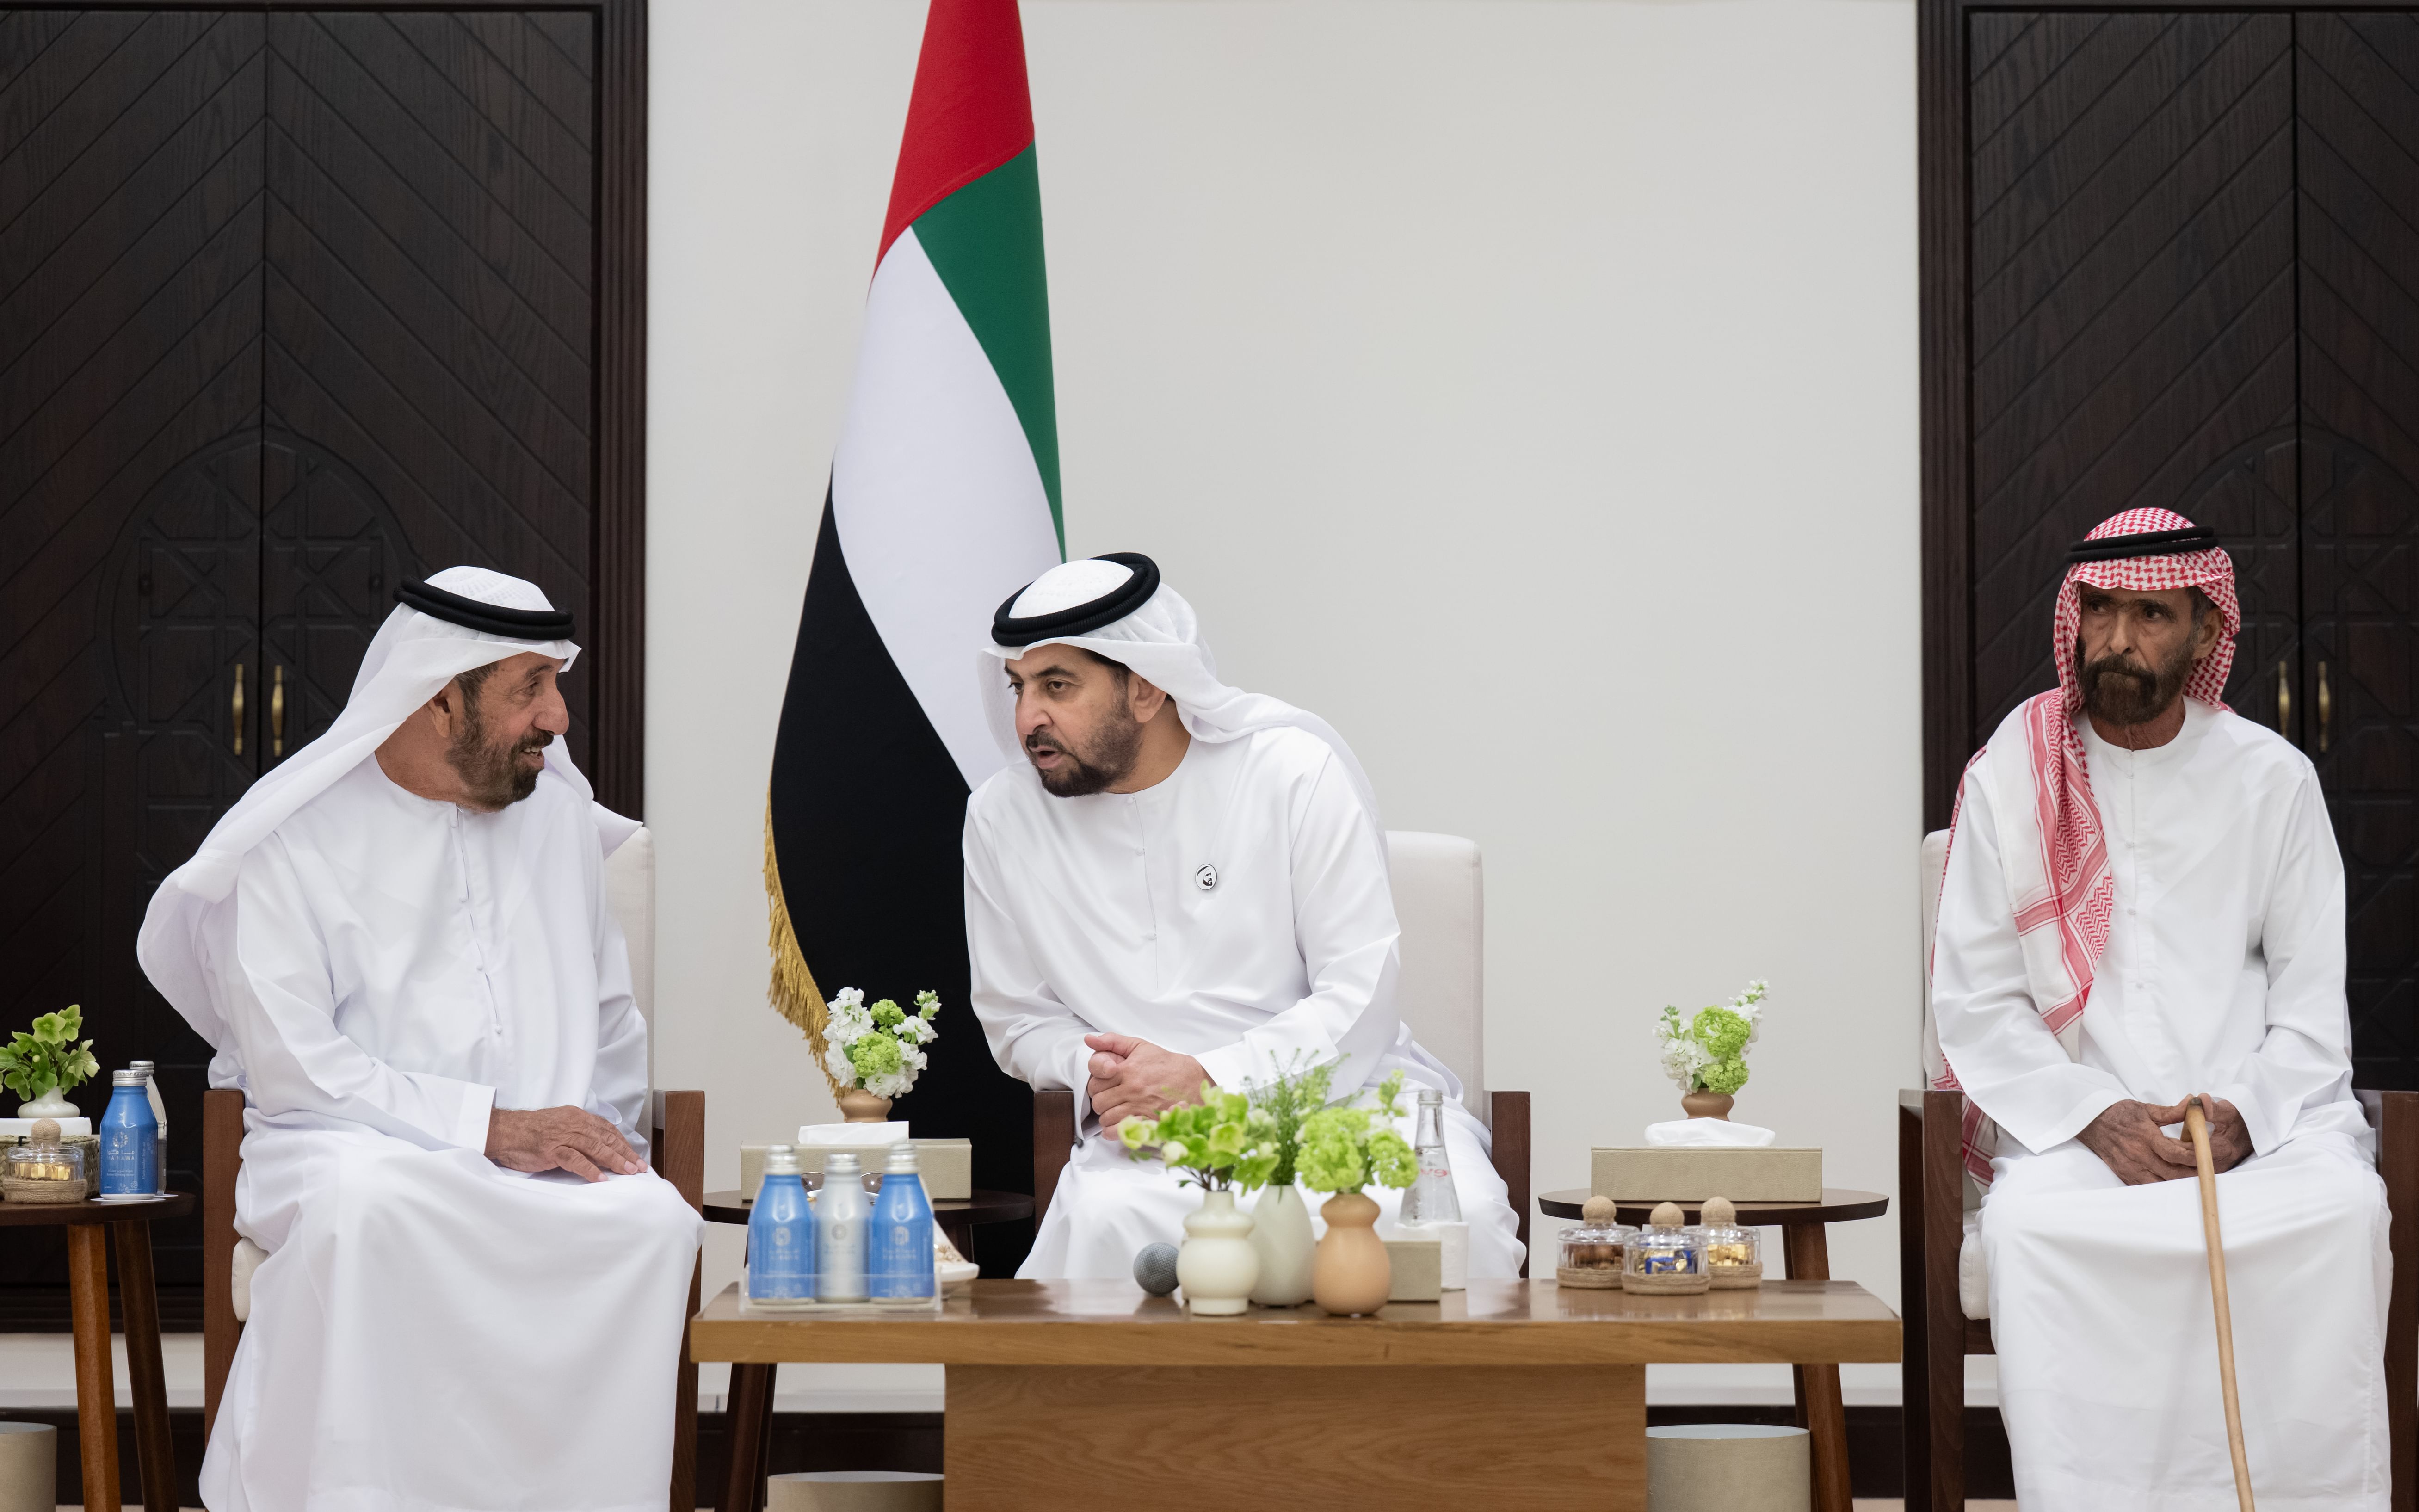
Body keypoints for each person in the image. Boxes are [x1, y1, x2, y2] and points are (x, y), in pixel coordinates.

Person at [137, 568, 702, 1512]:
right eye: (531, 687)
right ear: (440, 698)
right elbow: (293, 1066)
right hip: (345, 1146)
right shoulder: (292, 838)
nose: (558, 717)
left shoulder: (559, 819)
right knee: (369, 1209)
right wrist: (488, 1127)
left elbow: (611, 1021)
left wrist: (594, 1135)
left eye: (556, 684)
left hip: (539, 1166)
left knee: (652, 1223)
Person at [1929, 509, 2391, 1511]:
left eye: (2150, 615)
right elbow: (1976, 1000)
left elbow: (2311, 1012)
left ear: (2205, 628)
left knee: (2343, 1213)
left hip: (2257, 1140)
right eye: (2098, 611)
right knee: (2031, 1230)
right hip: (2075, 1139)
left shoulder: (2273, 781)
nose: (2116, 640)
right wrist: (2094, 1116)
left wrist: (2242, 1117)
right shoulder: (2013, 778)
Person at [963, 552, 1524, 1279]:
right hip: (1150, 1133)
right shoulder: (1002, 816)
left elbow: (1360, 994)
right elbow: (1017, 1017)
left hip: (1339, 1097)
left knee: (1456, 1216)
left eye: (1057, 685)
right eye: (1018, 686)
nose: (1026, 717)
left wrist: (1211, 1077)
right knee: (1105, 1221)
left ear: (1146, 687)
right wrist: (1105, 1077)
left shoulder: (1291, 771)